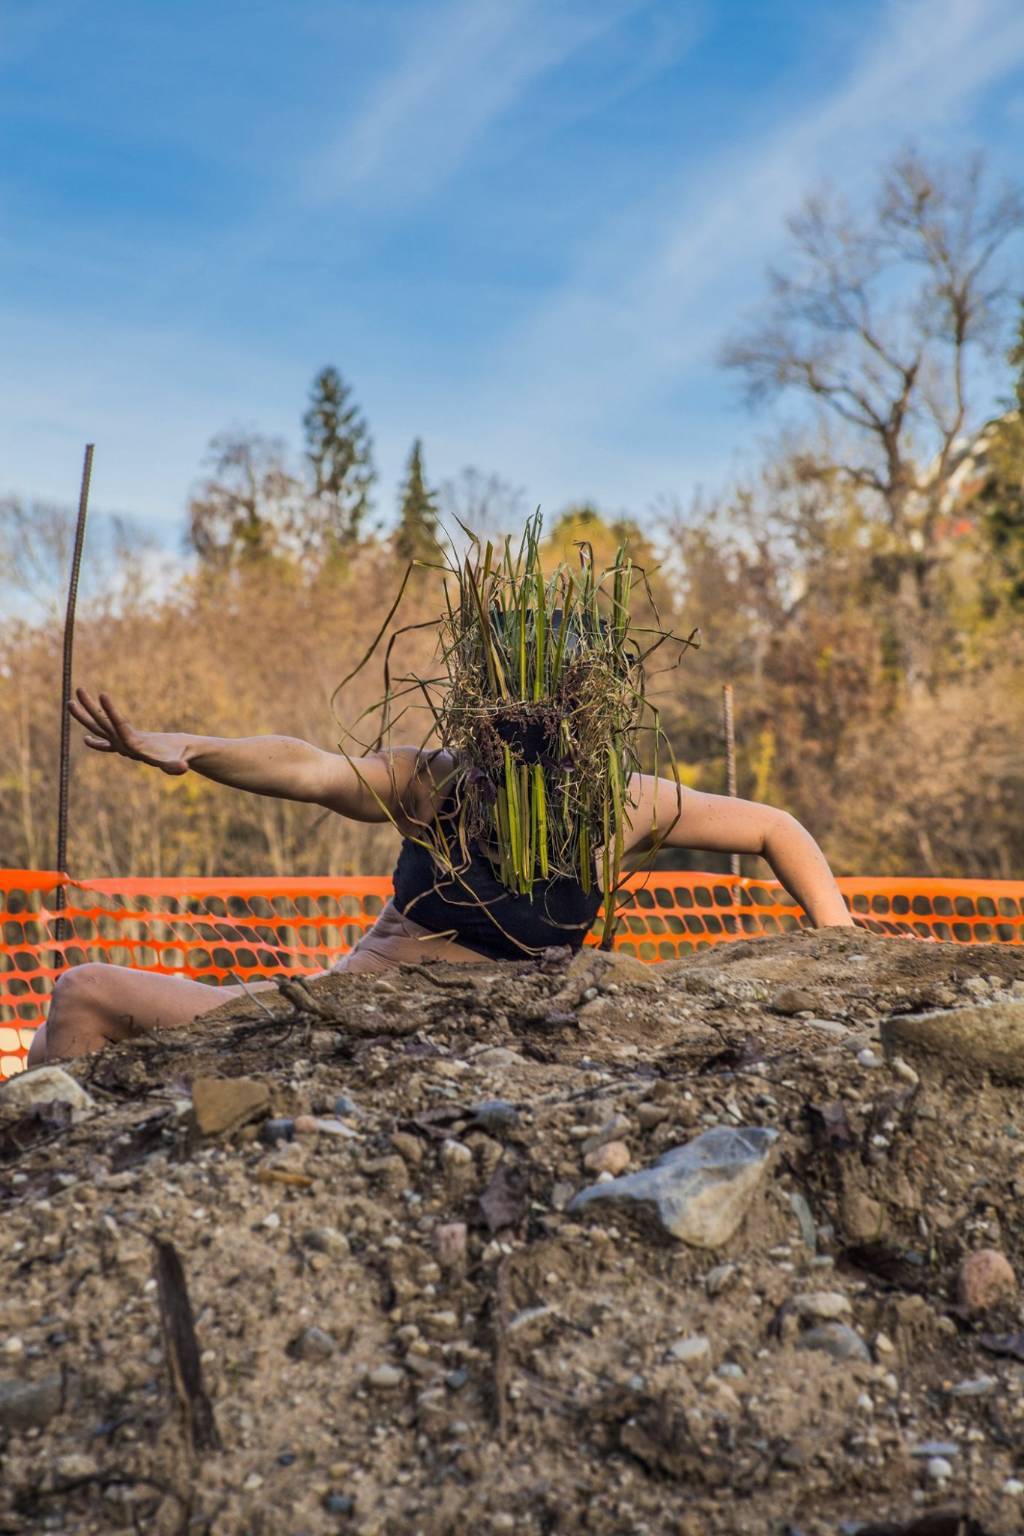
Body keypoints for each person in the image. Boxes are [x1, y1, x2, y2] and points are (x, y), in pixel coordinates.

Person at [29, 684, 853, 1066]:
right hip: (335, 1011)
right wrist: (196, 749)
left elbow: (775, 827)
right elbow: (312, 768)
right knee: (84, 990)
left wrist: (843, 943)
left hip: (475, 1044)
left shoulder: (619, 804)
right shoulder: (435, 779)